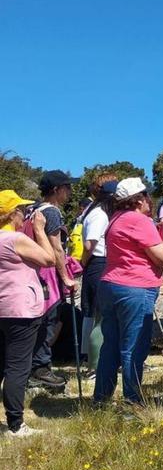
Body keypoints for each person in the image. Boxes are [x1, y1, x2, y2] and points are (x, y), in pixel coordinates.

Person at [93, 178, 163, 405]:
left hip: (110, 283)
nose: (150, 200)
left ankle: (101, 397)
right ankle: (132, 400)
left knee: (110, 344)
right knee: (134, 346)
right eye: (147, 195)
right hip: (135, 287)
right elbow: (161, 257)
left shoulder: (115, 219)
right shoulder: (139, 220)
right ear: (139, 199)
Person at [0, 192, 55, 437]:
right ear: (12, 214)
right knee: (17, 367)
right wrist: (40, 230)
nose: (25, 213)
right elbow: (49, 259)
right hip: (20, 310)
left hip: (3, 307)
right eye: (21, 209)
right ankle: (15, 423)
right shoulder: (14, 239)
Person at [29, 170, 76, 389]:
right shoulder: (52, 213)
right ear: (57, 190)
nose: (69, 192)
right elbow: (56, 248)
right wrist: (65, 277)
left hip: (33, 271)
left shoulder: (32, 209)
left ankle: (34, 365)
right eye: (67, 188)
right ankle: (41, 368)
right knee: (49, 320)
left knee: (38, 320)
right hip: (48, 274)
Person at [79, 179, 117, 372]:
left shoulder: (98, 212)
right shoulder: (99, 214)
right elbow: (89, 245)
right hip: (97, 262)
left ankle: (90, 356)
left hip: (97, 262)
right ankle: (92, 362)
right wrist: (84, 263)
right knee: (97, 313)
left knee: (94, 311)